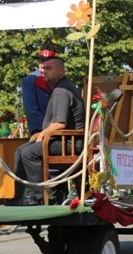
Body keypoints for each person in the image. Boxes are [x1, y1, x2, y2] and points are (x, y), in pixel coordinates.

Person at [7, 50, 84, 206]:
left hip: (69, 143)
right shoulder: (61, 87)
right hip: (62, 140)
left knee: (29, 153)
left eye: (48, 68)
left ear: (61, 70)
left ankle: (37, 197)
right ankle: (21, 196)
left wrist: (42, 134)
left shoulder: (62, 91)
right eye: (43, 68)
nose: (43, 71)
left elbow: (59, 124)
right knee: (20, 150)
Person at [21, 42, 54, 135]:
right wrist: (49, 128)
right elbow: (32, 111)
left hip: (59, 130)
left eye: (48, 61)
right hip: (39, 131)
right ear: (38, 61)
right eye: (42, 60)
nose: (44, 64)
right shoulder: (29, 81)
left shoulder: (58, 82)